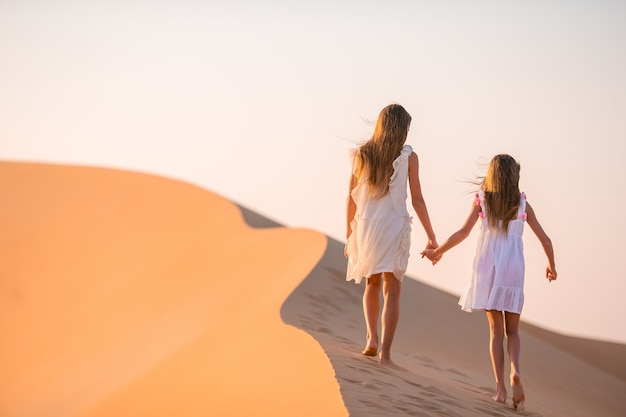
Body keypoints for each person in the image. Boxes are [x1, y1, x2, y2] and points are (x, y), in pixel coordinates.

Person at [421, 154, 557, 411]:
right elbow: (546, 240)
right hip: (514, 270)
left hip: (488, 269)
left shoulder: (482, 202)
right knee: (513, 331)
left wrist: (437, 252)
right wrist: (551, 264)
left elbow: (463, 233)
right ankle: (515, 371)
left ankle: (500, 390)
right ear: (514, 177)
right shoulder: (523, 205)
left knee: (496, 332)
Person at [345, 103, 438, 365]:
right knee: (393, 289)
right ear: (402, 129)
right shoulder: (409, 157)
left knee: (371, 283)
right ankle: (385, 353)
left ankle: (371, 338)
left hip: (366, 225)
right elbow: (418, 200)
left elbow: (350, 199)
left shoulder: (361, 154)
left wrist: (349, 233)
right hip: (394, 226)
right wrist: (432, 236)